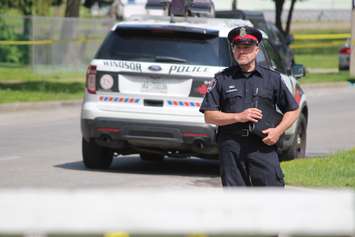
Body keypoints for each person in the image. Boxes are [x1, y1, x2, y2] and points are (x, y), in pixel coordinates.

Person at [199, 26, 300, 187]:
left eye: (247, 47)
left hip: (263, 144)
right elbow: (209, 115)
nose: (242, 52)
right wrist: (238, 116)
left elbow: (293, 109)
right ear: (232, 50)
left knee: (272, 193)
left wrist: (278, 131)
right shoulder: (222, 79)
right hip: (231, 146)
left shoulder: (272, 78)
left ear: (256, 50)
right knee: (236, 200)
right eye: (237, 47)